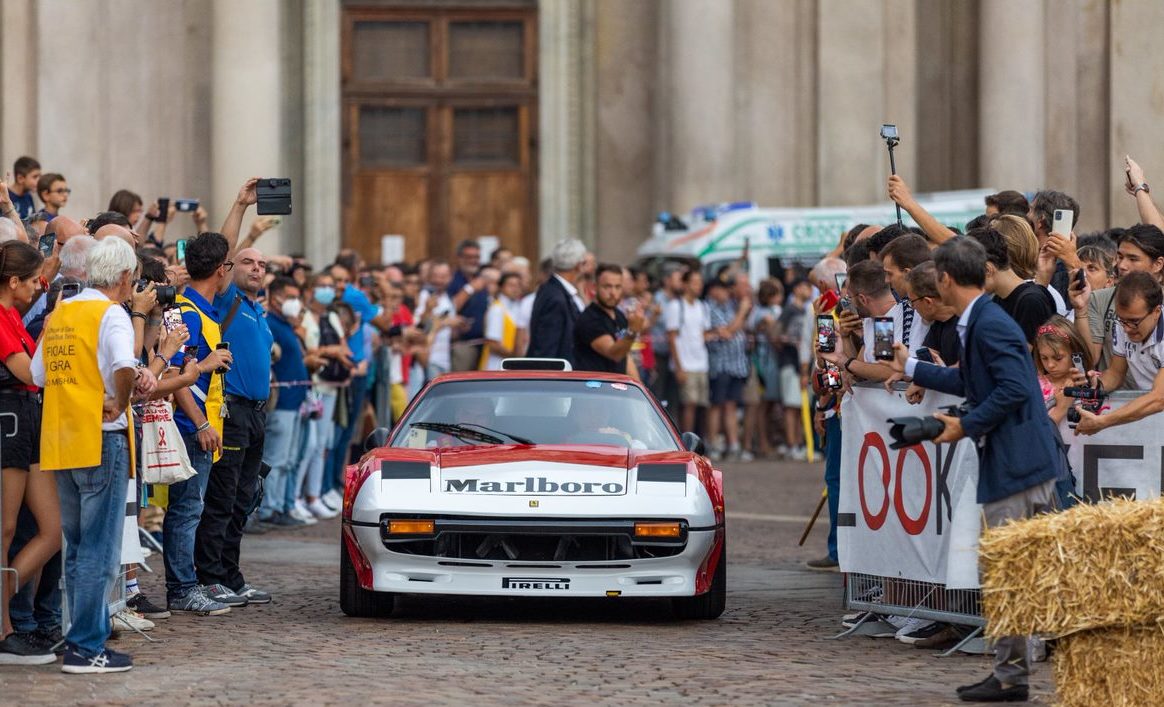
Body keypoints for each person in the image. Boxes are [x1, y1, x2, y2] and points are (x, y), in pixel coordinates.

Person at [887, 236, 1062, 702]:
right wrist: (916, 371)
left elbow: (1014, 389)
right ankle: (1010, 673)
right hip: (1011, 458)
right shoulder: (979, 320)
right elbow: (972, 378)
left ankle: (1012, 674)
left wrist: (962, 425)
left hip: (1019, 461)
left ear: (944, 279)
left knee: (1010, 569)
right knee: (1006, 569)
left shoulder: (988, 323)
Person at [32, 236, 142, 673]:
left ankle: (79, 636)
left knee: (77, 547)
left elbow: (39, 373)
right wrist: (121, 399)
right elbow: (125, 365)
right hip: (100, 438)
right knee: (98, 548)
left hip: (63, 437)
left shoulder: (64, 312)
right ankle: (85, 645)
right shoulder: (110, 313)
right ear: (122, 277)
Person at [197, 177, 276, 608]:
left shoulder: (257, 311)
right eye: (248, 262)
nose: (256, 268)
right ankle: (210, 577)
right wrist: (241, 204)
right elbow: (221, 250)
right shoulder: (226, 299)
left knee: (244, 499)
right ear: (229, 270)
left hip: (256, 414)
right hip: (229, 413)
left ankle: (231, 575)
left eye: (262, 264)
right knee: (223, 499)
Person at [166, 231, 235, 616]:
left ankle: (186, 583)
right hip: (190, 426)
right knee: (186, 509)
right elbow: (180, 377)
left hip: (202, 424)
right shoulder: (188, 312)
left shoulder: (196, 307)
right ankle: (181, 588)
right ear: (221, 270)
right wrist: (200, 424)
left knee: (192, 508)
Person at [0, 242, 59, 666]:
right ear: (13, 281)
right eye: (34, 278)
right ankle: (4, 628)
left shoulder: (14, 317)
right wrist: (52, 331)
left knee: (52, 528)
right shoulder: (2, 319)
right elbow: (29, 371)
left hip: (27, 417)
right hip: (10, 419)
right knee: (4, 530)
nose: (40, 285)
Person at [1074, 272, 1164, 435]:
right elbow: (1116, 373)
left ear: (1157, 311)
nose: (1127, 328)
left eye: (1134, 322)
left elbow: (1159, 398)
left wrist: (1103, 421)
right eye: (1123, 320)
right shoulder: (1122, 325)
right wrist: (1096, 384)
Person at [259, 277, 312, 527]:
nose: (296, 302)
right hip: (281, 404)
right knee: (276, 459)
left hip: (294, 402)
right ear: (276, 297)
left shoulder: (286, 324)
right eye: (291, 296)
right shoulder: (270, 323)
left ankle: (280, 506)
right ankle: (268, 509)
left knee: (288, 460)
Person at [967, 227, 1055, 346]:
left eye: (970, 274)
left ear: (988, 270)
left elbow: (1019, 358)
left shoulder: (1031, 301)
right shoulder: (998, 298)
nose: (969, 282)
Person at [704, 277, 751, 461]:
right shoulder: (710, 308)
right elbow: (728, 331)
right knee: (716, 405)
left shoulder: (730, 306)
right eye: (722, 289)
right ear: (713, 291)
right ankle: (713, 444)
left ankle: (733, 445)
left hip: (736, 365)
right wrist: (742, 311)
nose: (726, 293)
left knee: (731, 406)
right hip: (720, 364)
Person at [573, 263, 645, 376]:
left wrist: (638, 387)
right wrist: (632, 331)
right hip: (595, 388)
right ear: (594, 287)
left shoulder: (619, 315)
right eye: (607, 286)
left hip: (616, 388)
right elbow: (614, 353)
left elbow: (625, 355)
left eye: (617, 287)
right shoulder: (590, 319)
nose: (613, 293)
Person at [527, 239, 588, 363]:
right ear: (579, 265)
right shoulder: (555, 297)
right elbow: (546, 350)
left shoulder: (555, 291)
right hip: (556, 376)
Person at [664, 269, 710, 435]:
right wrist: (679, 367)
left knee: (701, 405)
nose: (698, 286)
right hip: (685, 363)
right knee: (688, 405)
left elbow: (704, 332)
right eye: (694, 282)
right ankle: (687, 442)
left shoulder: (703, 306)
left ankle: (700, 440)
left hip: (701, 363)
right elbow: (671, 337)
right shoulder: (676, 306)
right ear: (685, 284)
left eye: (700, 282)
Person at [481, 272, 523, 371]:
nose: (515, 289)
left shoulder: (518, 308)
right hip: (496, 366)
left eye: (518, 285)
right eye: (511, 285)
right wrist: (515, 357)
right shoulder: (497, 309)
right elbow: (493, 343)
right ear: (501, 287)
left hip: (509, 367)